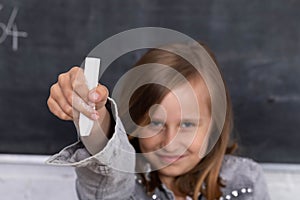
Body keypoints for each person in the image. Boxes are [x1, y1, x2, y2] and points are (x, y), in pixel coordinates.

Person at [46, 42, 270, 200]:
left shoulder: (244, 181)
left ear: (215, 124)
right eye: (155, 124)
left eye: (187, 125)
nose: (170, 143)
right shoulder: (127, 184)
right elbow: (109, 171)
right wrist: (94, 115)